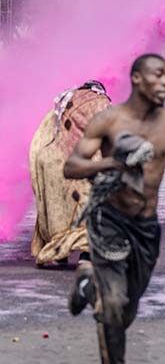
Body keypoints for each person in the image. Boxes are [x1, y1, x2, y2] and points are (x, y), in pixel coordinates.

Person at [63, 54, 165, 364]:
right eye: (158, 75)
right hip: (109, 221)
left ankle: (88, 284)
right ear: (137, 78)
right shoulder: (109, 120)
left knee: (126, 310)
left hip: (146, 228)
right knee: (113, 307)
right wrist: (113, 163)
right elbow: (72, 166)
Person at [30, 81, 111, 267]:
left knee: (57, 207)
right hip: (79, 160)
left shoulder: (63, 102)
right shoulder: (101, 102)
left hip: (50, 158)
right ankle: (86, 254)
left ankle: (59, 253)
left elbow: (41, 137)